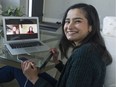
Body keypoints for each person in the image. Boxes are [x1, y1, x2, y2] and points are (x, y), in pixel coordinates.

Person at [0, 3, 112, 87]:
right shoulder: (92, 47)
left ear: (91, 27)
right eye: (67, 21)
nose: (69, 26)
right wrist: (57, 63)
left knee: (17, 67)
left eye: (77, 21)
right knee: (23, 62)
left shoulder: (85, 55)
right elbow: (75, 76)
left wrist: (33, 78)